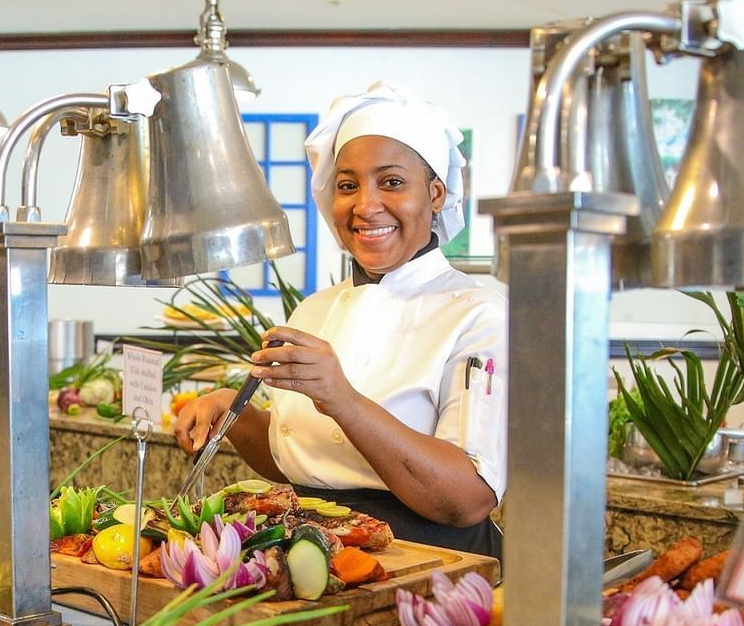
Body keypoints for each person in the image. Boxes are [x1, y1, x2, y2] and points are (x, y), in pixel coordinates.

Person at [172, 81, 507, 558]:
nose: (366, 205)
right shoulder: (315, 309)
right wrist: (236, 412)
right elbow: (309, 467)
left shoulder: (478, 314)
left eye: (391, 182)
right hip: (315, 551)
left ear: (435, 194)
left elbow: (467, 500)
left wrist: (341, 398)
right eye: (348, 185)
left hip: (427, 564)